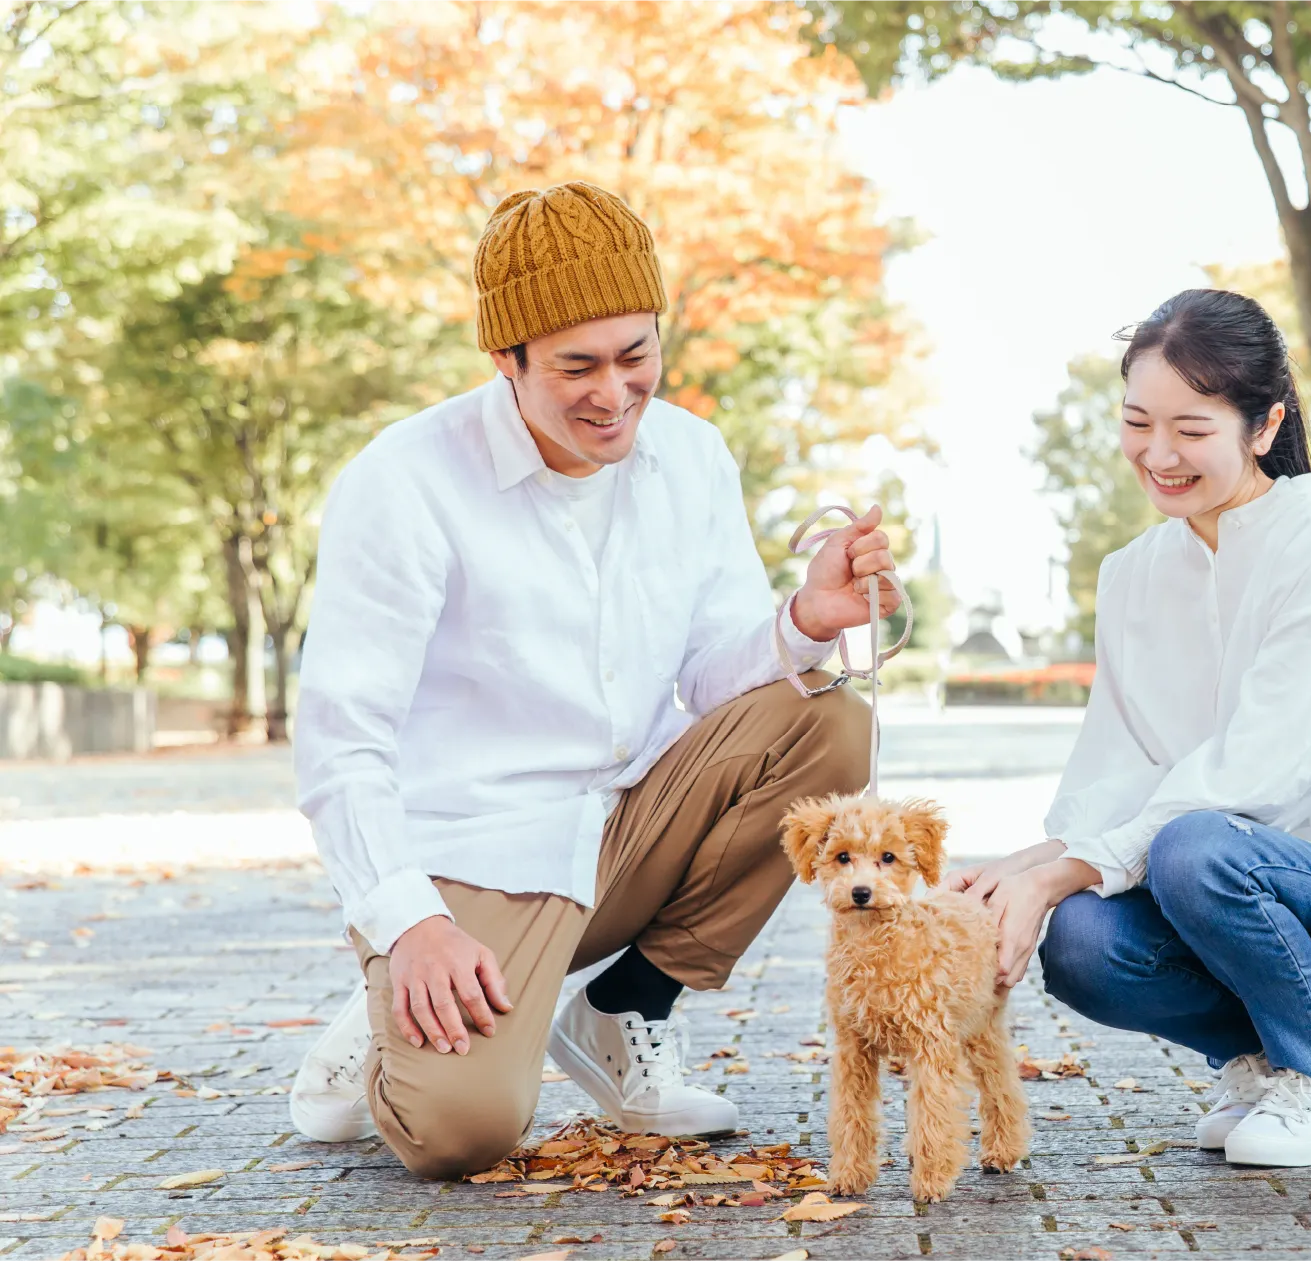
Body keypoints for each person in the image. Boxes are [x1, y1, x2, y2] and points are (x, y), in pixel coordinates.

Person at [287, 182, 897, 1179]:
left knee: (830, 723)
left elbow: (714, 673)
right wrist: (412, 923)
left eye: (634, 355)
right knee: (460, 1133)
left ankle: (625, 1008)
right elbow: (340, 740)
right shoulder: (403, 481)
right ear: (506, 358)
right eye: (576, 366)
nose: (613, 394)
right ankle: (393, 991)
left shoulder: (691, 456)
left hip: (630, 817)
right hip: (476, 855)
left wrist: (805, 620)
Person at [944, 289, 1311, 1168]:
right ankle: (1261, 1062)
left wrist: (1052, 875)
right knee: (1081, 939)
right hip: (1223, 889)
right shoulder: (1132, 575)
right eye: (1138, 422)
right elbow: (1117, 779)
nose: (1158, 454)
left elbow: (1266, 774)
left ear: (1263, 424)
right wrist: (1008, 878)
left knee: (1196, 846)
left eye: (1191, 429)